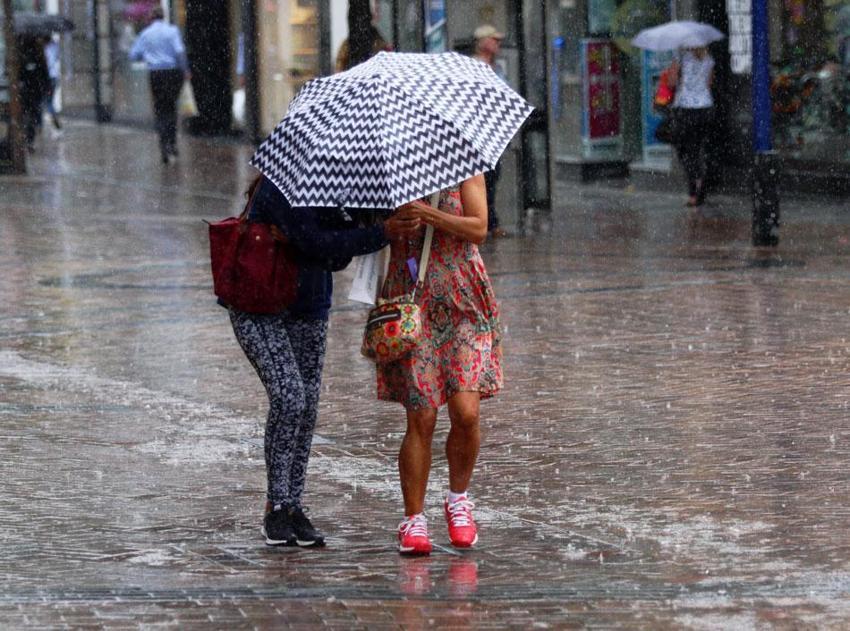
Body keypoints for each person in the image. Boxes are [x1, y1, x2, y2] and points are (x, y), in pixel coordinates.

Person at [228, 175, 420, 547]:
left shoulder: (335, 191)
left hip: (309, 306)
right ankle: (277, 506)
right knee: (289, 398)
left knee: (307, 407)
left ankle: (294, 505)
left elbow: (336, 255)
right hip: (259, 306)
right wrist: (378, 233)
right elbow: (313, 240)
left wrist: (341, 237)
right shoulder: (278, 185)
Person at [377, 175, 503, 555]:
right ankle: (413, 519)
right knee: (422, 416)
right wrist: (389, 225)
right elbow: (366, 230)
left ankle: (458, 500)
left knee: (466, 412)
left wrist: (429, 214)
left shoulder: (463, 167)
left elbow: (479, 228)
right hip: (412, 302)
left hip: (464, 297)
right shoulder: (388, 174)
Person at [129, 7, 190, 164]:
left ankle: (163, 146)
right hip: (172, 73)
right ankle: (172, 143)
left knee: (160, 109)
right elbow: (179, 51)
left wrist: (149, 55)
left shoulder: (146, 34)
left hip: (155, 74)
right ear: (164, 16)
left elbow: (133, 54)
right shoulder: (172, 31)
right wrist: (185, 70)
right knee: (171, 108)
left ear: (151, 18)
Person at [473, 24, 508, 238]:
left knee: (494, 178)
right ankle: (486, 221)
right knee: (484, 181)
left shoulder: (498, 68)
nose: (498, 44)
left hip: (495, 134)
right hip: (481, 135)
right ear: (483, 42)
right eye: (494, 40)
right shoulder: (475, 67)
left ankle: (490, 221)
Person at [668, 46, 715, 207]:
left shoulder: (680, 56)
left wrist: (675, 74)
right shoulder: (709, 59)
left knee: (684, 151)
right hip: (705, 108)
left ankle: (695, 186)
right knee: (697, 148)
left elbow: (672, 82)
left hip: (686, 109)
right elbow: (709, 83)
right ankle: (697, 185)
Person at [17, 35, 50, 152]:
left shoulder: (22, 54)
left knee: (28, 115)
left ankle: (28, 139)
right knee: (32, 115)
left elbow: (43, 73)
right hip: (33, 91)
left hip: (27, 91)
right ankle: (29, 139)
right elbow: (44, 74)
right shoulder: (37, 54)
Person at [42, 35, 62, 133]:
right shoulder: (54, 46)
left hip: (49, 78)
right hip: (53, 77)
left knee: (48, 102)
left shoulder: (46, 49)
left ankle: (56, 125)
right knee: (48, 102)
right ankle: (55, 124)